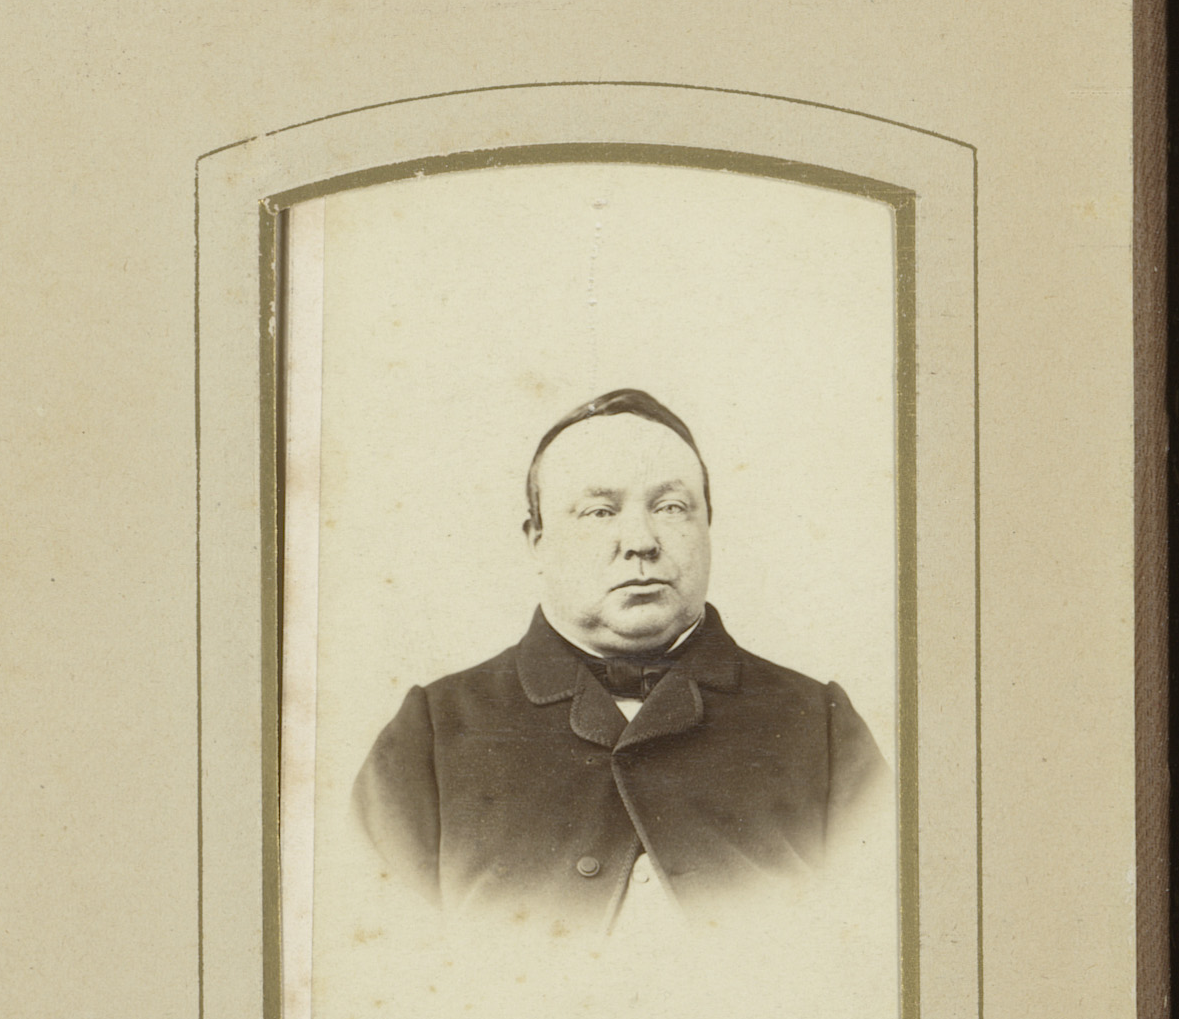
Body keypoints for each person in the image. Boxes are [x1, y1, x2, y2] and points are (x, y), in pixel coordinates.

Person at [352, 388, 890, 932]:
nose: (641, 541)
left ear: (707, 527)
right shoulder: (429, 734)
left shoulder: (821, 726)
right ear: (537, 541)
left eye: (672, 507)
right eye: (600, 511)